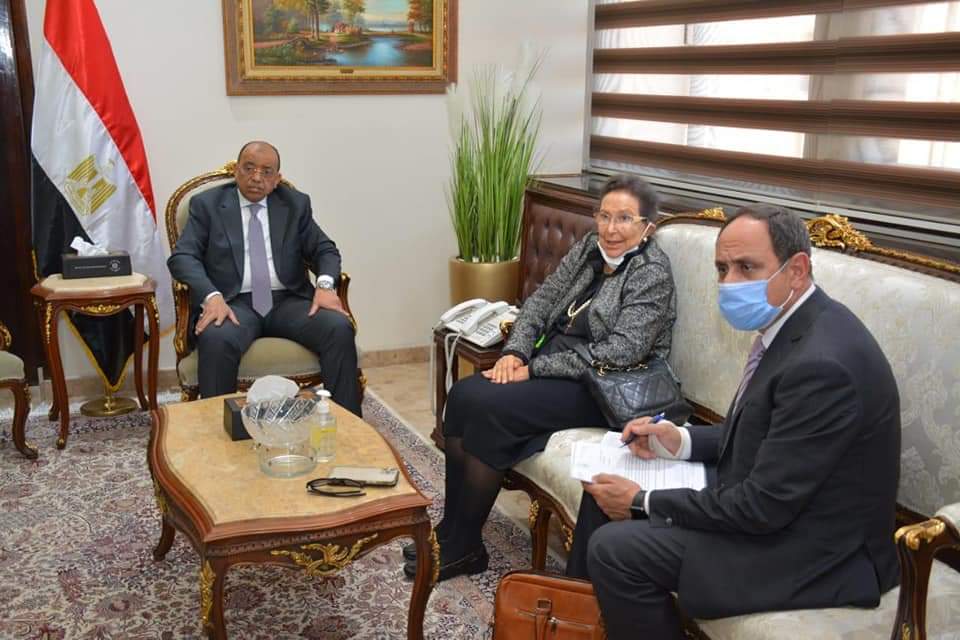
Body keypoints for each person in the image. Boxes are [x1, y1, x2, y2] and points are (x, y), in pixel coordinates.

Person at [566, 205, 900, 640]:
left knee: (615, 550)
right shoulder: (795, 324)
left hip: (814, 549)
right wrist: (679, 440)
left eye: (747, 267)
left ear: (797, 270)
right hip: (775, 502)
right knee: (602, 489)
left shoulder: (822, 365)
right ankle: (571, 621)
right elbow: (770, 435)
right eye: (722, 269)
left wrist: (642, 500)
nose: (729, 283)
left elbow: (763, 507)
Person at [403, 174, 677, 581]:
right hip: (555, 365)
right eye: (604, 216)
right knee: (462, 396)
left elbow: (622, 351)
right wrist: (515, 352)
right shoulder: (590, 248)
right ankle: (454, 531)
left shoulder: (651, 272)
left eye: (624, 219)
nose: (611, 228)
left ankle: (465, 547)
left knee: (491, 409)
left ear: (647, 227)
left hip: (602, 385)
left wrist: (532, 369)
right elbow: (541, 301)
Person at [168, 141, 361, 415]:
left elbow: (324, 250)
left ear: (277, 179)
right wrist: (212, 297)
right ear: (236, 170)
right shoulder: (207, 205)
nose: (256, 177)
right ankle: (216, 428)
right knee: (217, 337)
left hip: (288, 302)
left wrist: (325, 286)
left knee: (337, 327)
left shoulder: (294, 204)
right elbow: (183, 257)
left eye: (266, 171)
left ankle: (347, 423)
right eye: (249, 168)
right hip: (233, 303)